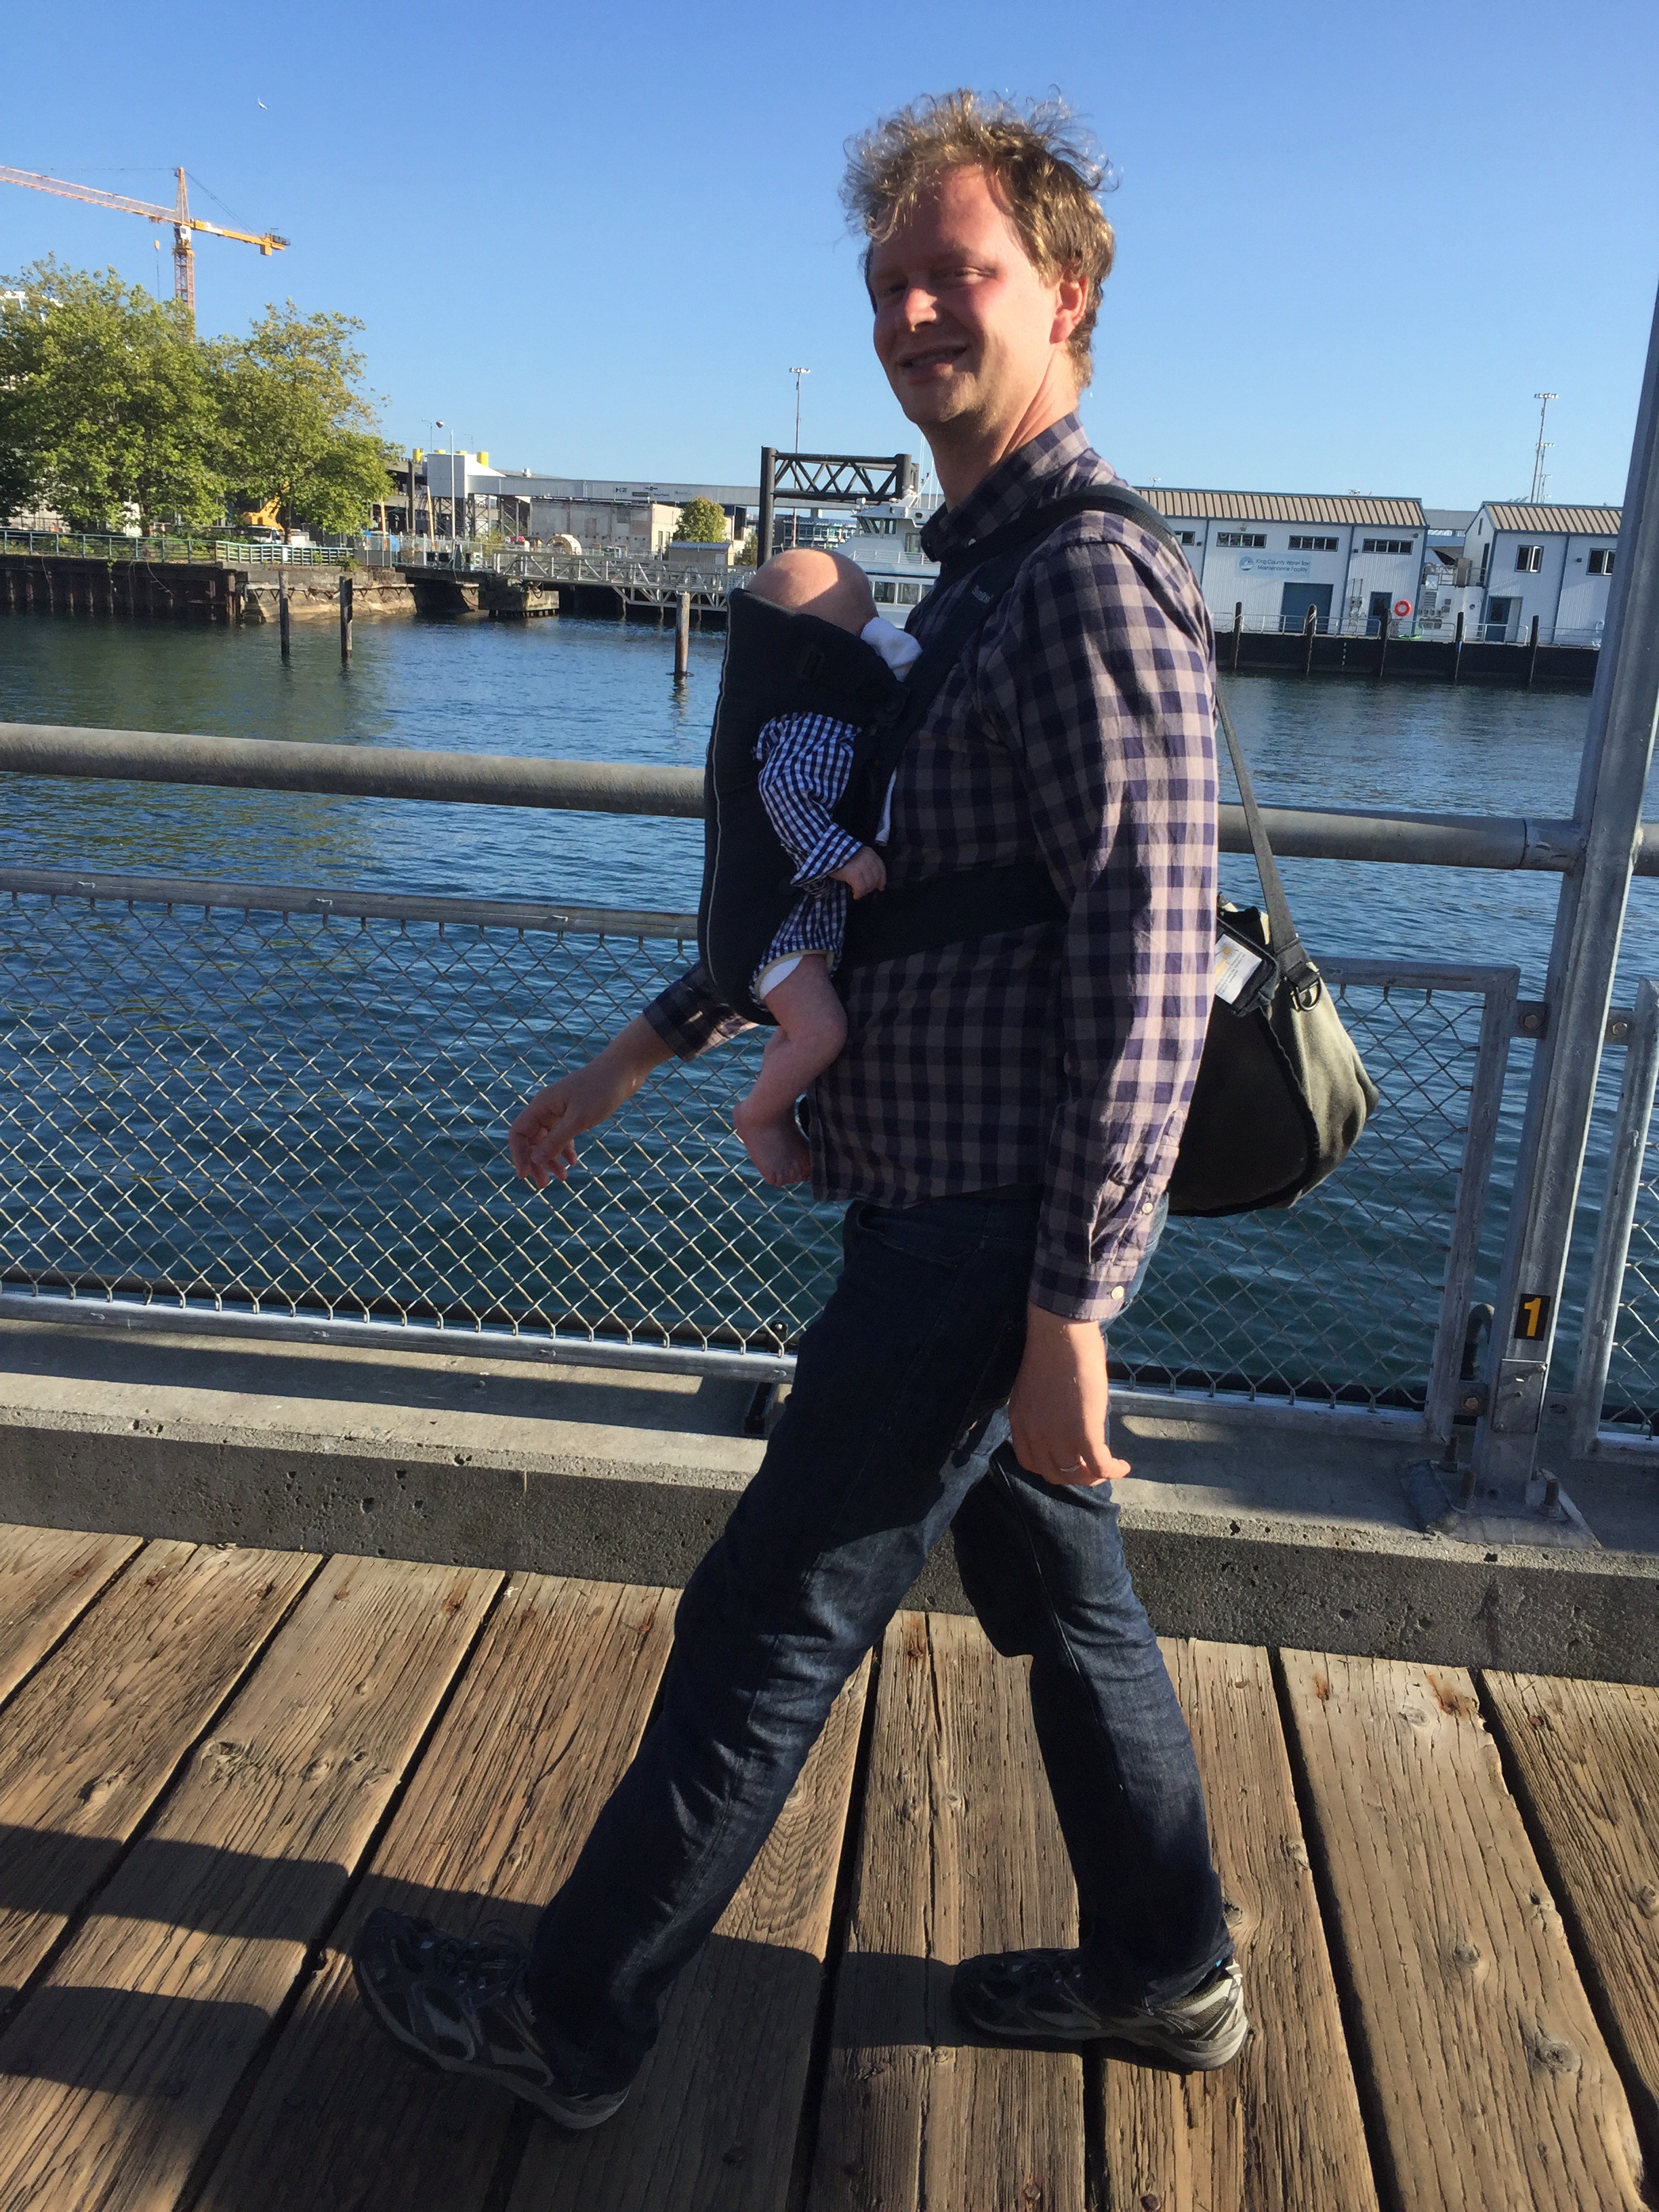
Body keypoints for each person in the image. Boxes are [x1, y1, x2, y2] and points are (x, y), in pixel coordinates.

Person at [351, 88, 1244, 2131]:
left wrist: (1072, 1304)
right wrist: (628, 1058)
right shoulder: (973, 591)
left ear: (1066, 294)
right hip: (949, 1208)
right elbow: (850, 908)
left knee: (769, 1614)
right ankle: (1166, 1961)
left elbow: (1144, 972)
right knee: (1066, 1594)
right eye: (889, 279)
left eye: (961, 273)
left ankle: (571, 2016)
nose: (915, 310)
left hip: (979, 1230)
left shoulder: (1090, 585)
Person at [730, 546, 921, 1186]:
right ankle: (759, 1115)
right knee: (822, 1033)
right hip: (786, 935)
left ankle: (775, 1094)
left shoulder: (815, 716)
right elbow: (783, 787)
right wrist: (844, 855)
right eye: (863, 627)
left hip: (798, 932)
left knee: (804, 1033)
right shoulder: (816, 723)